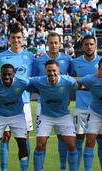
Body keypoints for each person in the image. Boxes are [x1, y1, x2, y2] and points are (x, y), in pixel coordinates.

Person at [0, 25, 35, 170]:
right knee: (5, 137)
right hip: (4, 103)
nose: (16, 40)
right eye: (13, 37)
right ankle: (3, 168)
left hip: (24, 102)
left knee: (24, 138)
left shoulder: (30, 56)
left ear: (23, 40)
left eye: (19, 38)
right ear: (9, 39)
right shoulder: (0, 57)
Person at [28, 60, 78, 171]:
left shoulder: (67, 80)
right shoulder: (39, 81)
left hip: (63, 116)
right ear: (45, 72)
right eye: (49, 71)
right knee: (40, 145)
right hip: (46, 116)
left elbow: (81, 85)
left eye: (54, 70)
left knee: (71, 145)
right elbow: (24, 81)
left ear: (59, 71)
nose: (52, 73)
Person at [33, 32, 72, 171]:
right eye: (51, 42)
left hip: (62, 108)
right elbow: (33, 82)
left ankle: (62, 168)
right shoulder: (38, 60)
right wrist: (47, 94)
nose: (54, 45)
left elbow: (70, 81)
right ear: (47, 44)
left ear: (60, 44)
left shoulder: (68, 60)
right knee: (42, 141)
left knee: (63, 138)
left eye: (56, 42)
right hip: (43, 106)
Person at [69, 36, 102, 171]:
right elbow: (70, 80)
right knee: (79, 140)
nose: (89, 47)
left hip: (99, 107)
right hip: (81, 107)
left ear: (95, 45)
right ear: (82, 46)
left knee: (101, 140)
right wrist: (86, 82)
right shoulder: (75, 62)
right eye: (86, 44)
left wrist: (85, 82)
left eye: (92, 44)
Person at [0, 64, 29, 171]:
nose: (7, 77)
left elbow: (37, 87)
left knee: (22, 143)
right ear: (0, 74)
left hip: (17, 114)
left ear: (14, 74)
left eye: (9, 74)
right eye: (4, 74)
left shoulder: (23, 82)